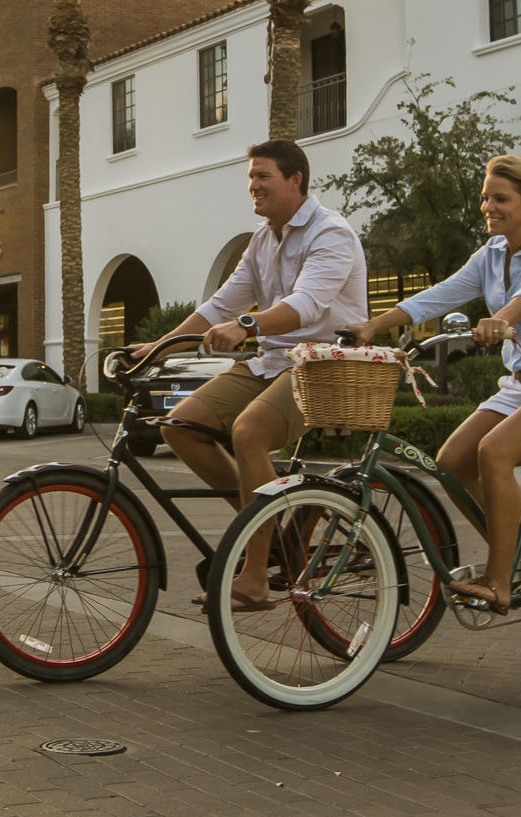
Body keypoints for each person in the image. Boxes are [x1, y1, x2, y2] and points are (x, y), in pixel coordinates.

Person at [358, 154, 521, 613]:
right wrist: (374, 326)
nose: (488, 206)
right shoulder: (491, 254)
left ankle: (500, 580)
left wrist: (500, 319)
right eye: (484, 198)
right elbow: (440, 294)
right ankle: (512, 549)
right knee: (452, 461)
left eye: (500, 198)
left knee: (495, 452)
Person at [127, 140, 368, 611]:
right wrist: (157, 349)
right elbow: (222, 303)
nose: (253, 186)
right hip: (274, 363)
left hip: (325, 366)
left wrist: (248, 326)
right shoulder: (263, 238)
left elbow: (307, 305)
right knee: (180, 426)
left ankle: (255, 576)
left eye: (263, 177)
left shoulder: (330, 232)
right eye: (250, 178)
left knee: (249, 433)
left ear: (295, 179)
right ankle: (270, 528)